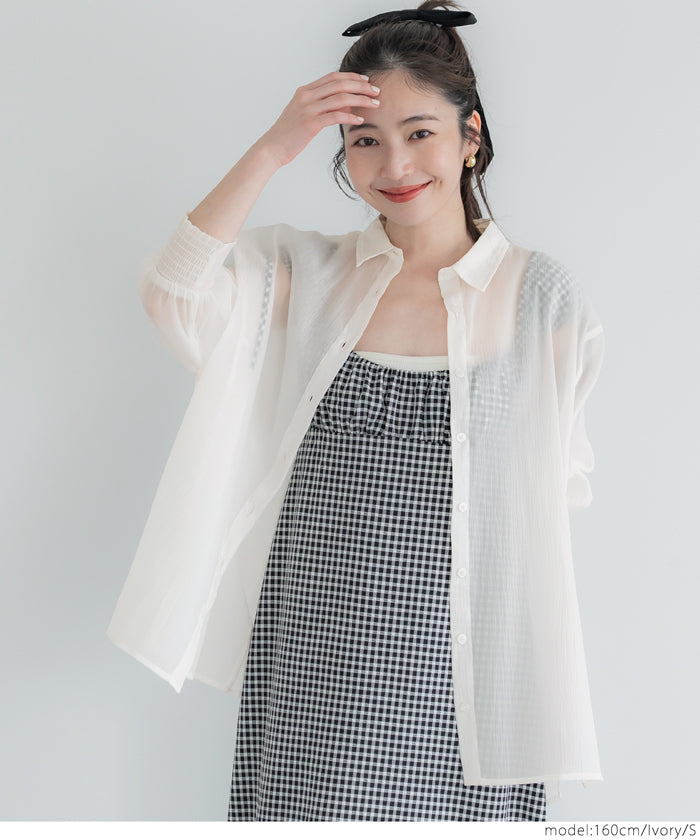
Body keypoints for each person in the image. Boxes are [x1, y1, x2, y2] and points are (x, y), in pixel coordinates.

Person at [107, 0, 606, 822]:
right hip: (313, 652)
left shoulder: (540, 299)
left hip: (463, 668)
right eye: (365, 139)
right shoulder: (308, 276)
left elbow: (554, 494)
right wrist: (272, 149)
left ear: (471, 135)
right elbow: (172, 292)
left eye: (419, 132)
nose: (394, 163)